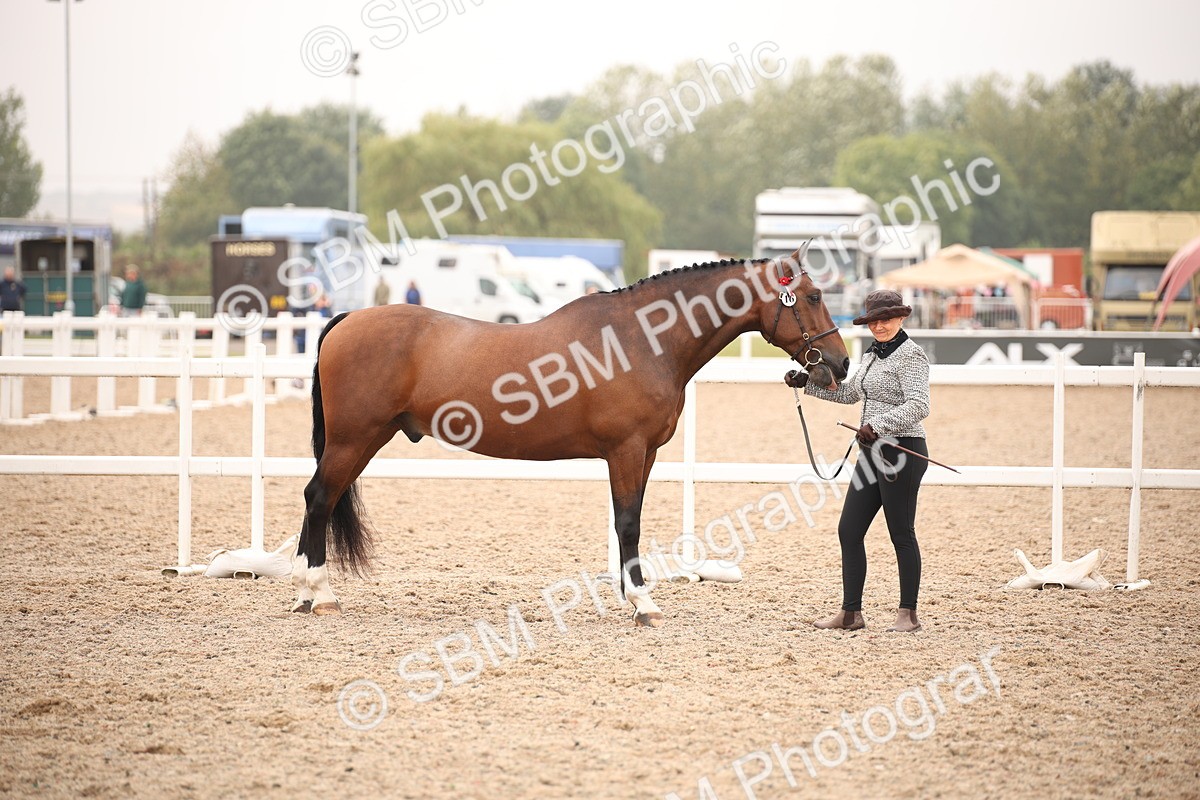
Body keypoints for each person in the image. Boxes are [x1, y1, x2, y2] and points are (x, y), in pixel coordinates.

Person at [784, 289, 931, 633]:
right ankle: (851, 613)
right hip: (871, 452)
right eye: (873, 321)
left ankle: (908, 613)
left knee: (901, 533)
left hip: (902, 452)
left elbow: (920, 405)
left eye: (885, 319)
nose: (879, 326)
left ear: (900, 318)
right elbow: (852, 394)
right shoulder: (872, 355)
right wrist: (807, 384)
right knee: (849, 530)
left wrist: (877, 425)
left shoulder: (911, 356)